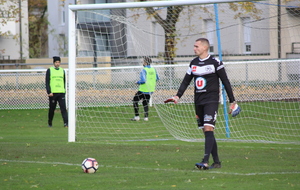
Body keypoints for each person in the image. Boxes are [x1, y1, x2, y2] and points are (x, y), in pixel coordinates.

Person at [166, 38, 237, 170]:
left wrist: (232, 100)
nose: (194, 48)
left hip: (211, 100)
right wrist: (177, 96)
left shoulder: (215, 62)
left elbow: (226, 82)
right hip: (198, 101)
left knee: (209, 128)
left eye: (196, 46)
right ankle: (216, 162)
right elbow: (185, 81)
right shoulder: (193, 63)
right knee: (206, 131)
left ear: (205, 47)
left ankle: (205, 161)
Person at [131, 57, 159, 121]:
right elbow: (157, 78)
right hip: (150, 90)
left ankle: (137, 117)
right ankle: (146, 118)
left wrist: (137, 82)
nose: (143, 63)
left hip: (143, 89)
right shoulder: (154, 69)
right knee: (145, 103)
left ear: (145, 62)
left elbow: (143, 80)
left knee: (135, 101)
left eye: (143, 62)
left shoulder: (144, 70)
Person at [45, 56, 68, 128]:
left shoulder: (62, 70)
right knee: (52, 109)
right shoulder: (50, 70)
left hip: (61, 92)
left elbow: (64, 81)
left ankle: (66, 123)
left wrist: (64, 91)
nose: (57, 64)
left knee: (63, 108)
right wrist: (49, 92)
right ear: (54, 63)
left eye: (59, 62)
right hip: (53, 93)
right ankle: (50, 122)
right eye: (56, 62)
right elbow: (47, 82)